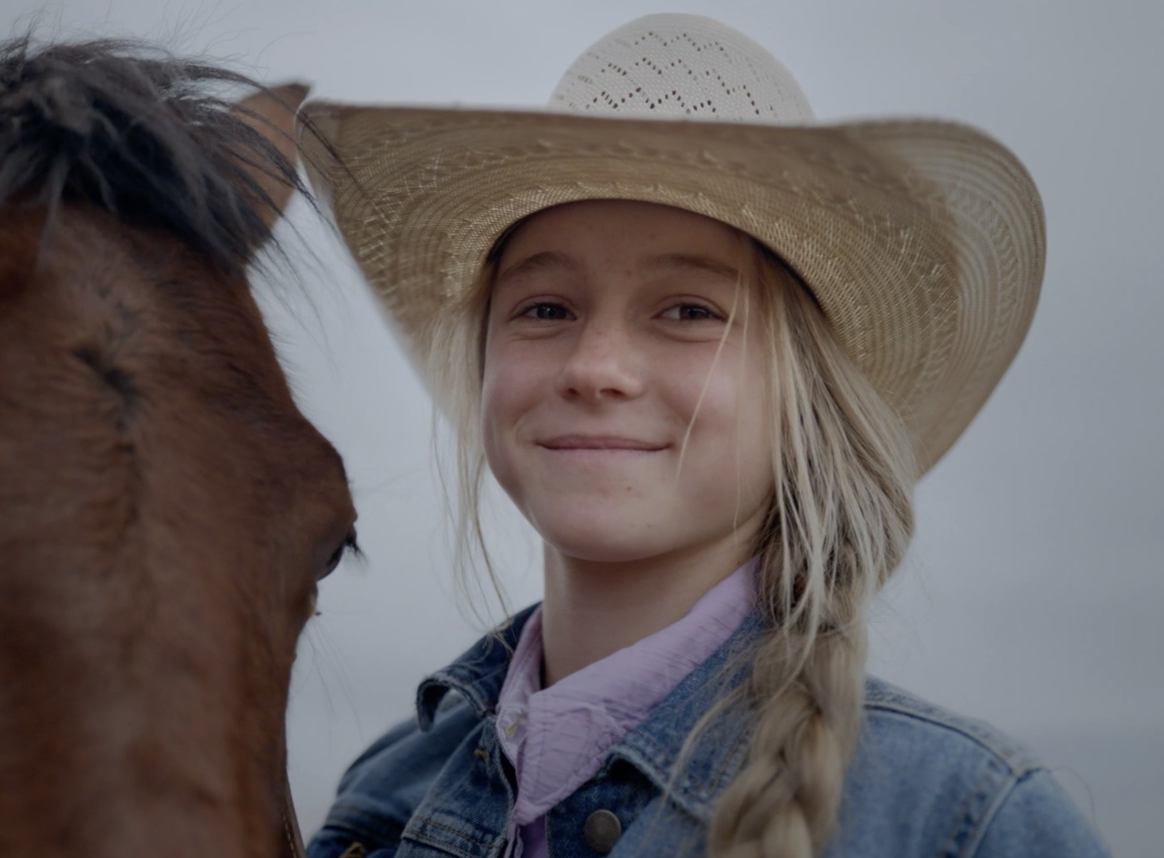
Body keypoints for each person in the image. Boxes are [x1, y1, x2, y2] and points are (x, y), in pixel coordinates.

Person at [298, 13, 1109, 858]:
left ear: (807, 400)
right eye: (545, 309)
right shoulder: (385, 791)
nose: (595, 367)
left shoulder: (962, 824)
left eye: (689, 312)